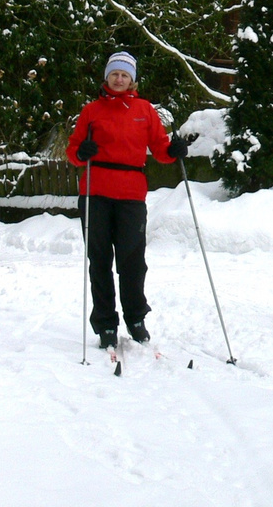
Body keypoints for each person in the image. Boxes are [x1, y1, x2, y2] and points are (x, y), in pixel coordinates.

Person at [67, 50, 186, 349]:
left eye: (125, 75)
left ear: (132, 80)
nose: (119, 79)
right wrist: (82, 154)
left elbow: (160, 148)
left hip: (131, 193)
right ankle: (105, 323)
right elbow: (72, 150)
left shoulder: (145, 110)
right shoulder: (91, 111)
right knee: (100, 260)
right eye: (114, 74)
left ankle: (135, 318)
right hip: (95, 191)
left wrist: (174, 150)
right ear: (107, 77)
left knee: (133, 262)